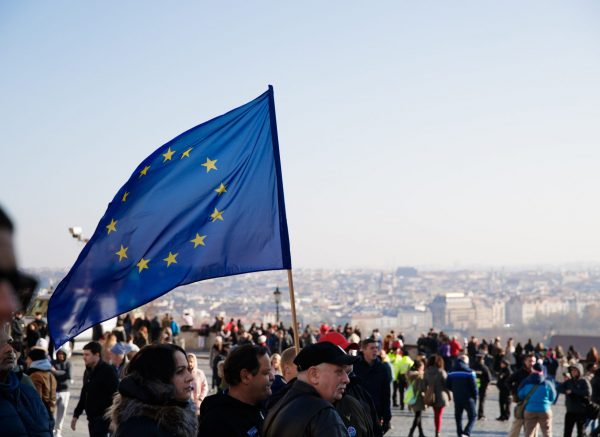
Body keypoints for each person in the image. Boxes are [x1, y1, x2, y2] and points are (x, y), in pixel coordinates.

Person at [262, 341, 359, 437]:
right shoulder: (322, 414)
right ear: (314, 374)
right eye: (339, 371)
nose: (346, 379)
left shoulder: (277, 407)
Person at [105, 343, 197, 436]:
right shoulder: (138, 429)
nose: (190, 377)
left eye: (188, 369)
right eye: (180, 371)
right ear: (157, 380)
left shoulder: (182, 413)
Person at [198, 344, 273, 436]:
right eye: (266, 373)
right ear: (245, 376)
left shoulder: (263, 405)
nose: (272, 377)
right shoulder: (218, 422)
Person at [0, 321, 53, 436]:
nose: (9, 349)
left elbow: (48, 426)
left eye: (9, 343)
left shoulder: (28, 390)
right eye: (1, 344)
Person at [71, 341, 119, 436]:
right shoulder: (88, 372)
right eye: (83, 354)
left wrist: (114, 420)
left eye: (87, 354)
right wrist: (76, 414)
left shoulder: (108, 371)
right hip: (92, 420)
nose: (84, 357)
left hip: (104, 420)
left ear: (97, 355)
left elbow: (116, 395)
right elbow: (84, 393)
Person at [354, 337, 392, 434]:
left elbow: (386, 393)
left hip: (376, 412)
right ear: (363, 350)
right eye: (372, 348)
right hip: (359, 411)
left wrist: (387, 417)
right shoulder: (355, 367)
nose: (375, 350)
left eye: (376, 348)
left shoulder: (382, 368)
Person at [517, 361, 556, 437]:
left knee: (529, 433)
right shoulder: (548, 383)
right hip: (544, 409)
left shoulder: (527, 381)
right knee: (547, 432)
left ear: (532, 370)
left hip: (530, 409)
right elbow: (553, 397)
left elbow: (520, 394)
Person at [446, 355, 477, 437]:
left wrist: (455, 390)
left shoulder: (451, 372)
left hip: (457, 398)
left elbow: (447, 385)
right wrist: (475, 398)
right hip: (468, 398)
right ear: (466, 362)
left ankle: (459, 434)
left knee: (458, 417)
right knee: (473, 416)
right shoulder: (470, 372)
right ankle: (466, 432)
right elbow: (474, 387)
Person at [25, 347, 57, 427]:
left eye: (28, 359)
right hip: (50, 414)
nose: (26, 361)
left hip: (39, 417)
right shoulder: (50, 374)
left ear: (34, 360)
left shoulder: (35, 376)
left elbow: (36, 400)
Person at [506, 353, 535, 437]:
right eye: (530, 361)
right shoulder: (519, 372)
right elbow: (508, 382)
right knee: (517, 424)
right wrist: (514, 392)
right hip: (522, 402)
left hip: (533, 402)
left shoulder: (537, 373)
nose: (532, 363)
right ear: (525, 361)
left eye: (533, 361)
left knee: (531, 428)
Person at [561, 362, 592, 437]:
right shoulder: (569, 381)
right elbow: (558, 388)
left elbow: (588, 392)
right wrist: (565, 391)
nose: (573, 372)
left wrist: (573, 391)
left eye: (575, 370)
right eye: (572, 370)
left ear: (579, 371)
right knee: (567, 433)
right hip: (570, 411)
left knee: (580, 433)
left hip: (581, 411)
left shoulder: (584, 380)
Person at [424, 354, 451, 437]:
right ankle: (437, 431)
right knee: (439, 414)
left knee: (436, 414)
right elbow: (447, 385)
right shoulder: (441, 371)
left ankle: (437, 430)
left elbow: (425, 384)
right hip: (441, 395)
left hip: (431, 395)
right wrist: (450, 396)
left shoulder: (427, 371)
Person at [52, 348, 72, 437]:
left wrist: (56, 372)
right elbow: (51, 374)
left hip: (65, 392)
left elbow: (69, 375)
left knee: (61, 414)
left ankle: (58, 432)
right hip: (54, 391)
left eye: (62, 354)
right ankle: (51, 429)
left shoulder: (68, 363)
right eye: (59, 354)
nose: (61, 356)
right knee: (51, 412)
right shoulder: (53, 362)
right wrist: (62, 373)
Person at [388, 342, 413, 410]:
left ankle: (402, 405)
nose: (398, 352)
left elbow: (398, 369)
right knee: (409, 392)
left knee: (401, 392)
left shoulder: (400, 359)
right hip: (407, 378)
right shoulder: (410, 361)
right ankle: (409, 406)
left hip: (399, 377)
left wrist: (396, 378)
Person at [406, 359, 428, 437]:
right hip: (418, 398)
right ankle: (411, 432)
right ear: (419, 367)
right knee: (418, 416)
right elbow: (422, 388)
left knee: (418, 415)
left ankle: (420, 433)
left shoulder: (410, 375)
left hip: (412, 397)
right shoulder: (419, 376)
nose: (423, 368)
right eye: (422, 366)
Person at [472, 353, 491, 420]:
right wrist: (487, 385)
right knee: (482, 400)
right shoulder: (484, 367)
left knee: (473, 399)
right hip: (482, 385)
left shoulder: (473, 367)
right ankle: (480, 414)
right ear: (482, 360)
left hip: (474, 384)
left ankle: (472, 413)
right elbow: (489, 378)